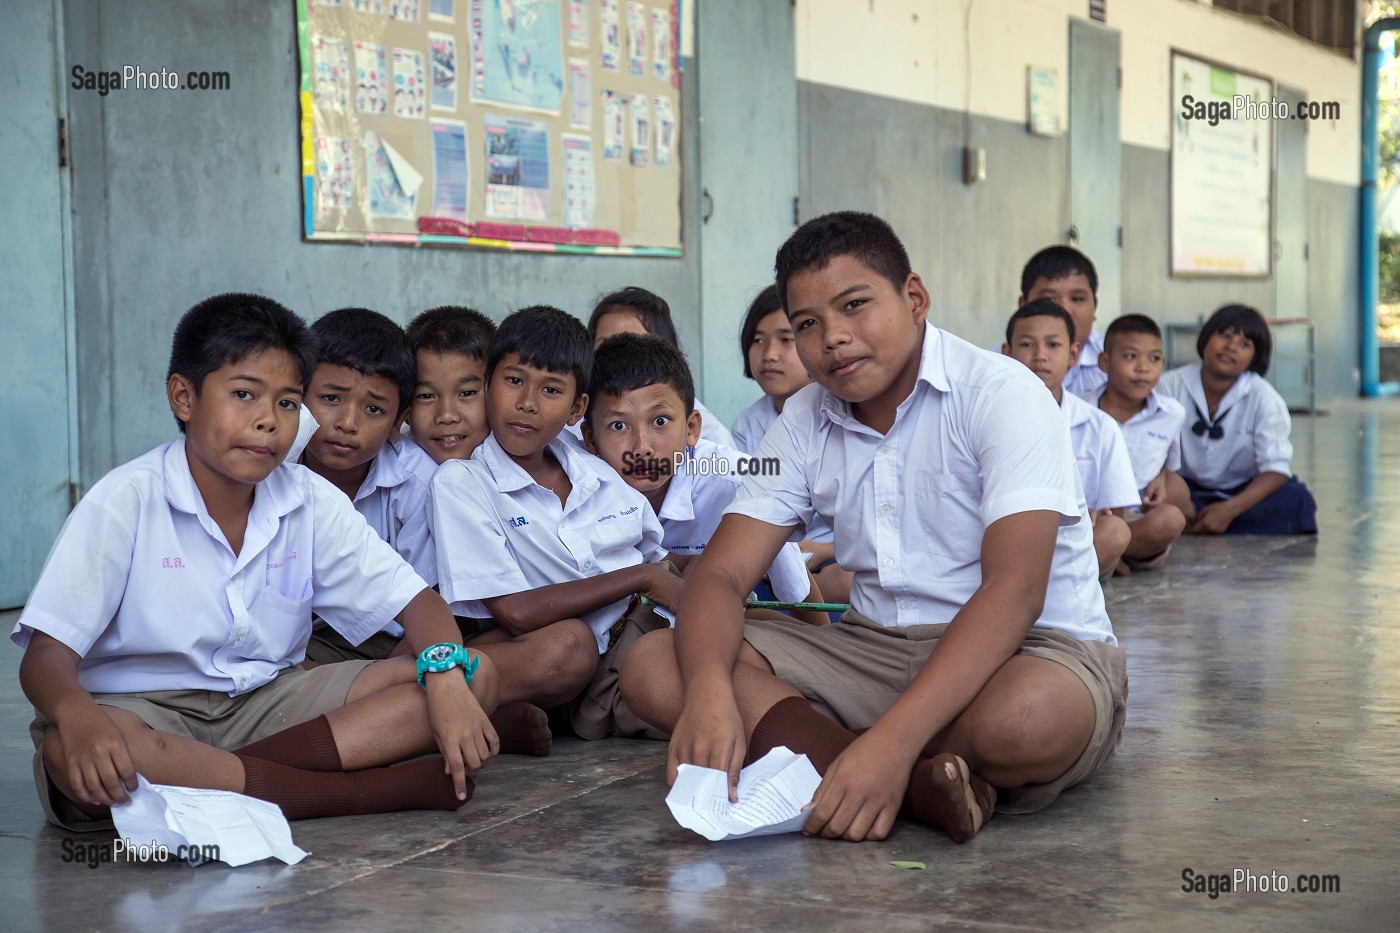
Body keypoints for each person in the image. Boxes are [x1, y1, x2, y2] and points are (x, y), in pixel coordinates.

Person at [619, 212, 1126, 844]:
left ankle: (858, 758)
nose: (832, 338)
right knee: (655, 665)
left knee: (1025, 721)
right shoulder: (804, 418)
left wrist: (888, 741)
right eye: (807, 324)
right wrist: (707, 693)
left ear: (914, 298)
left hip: (1030, 648)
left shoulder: (1002, 394)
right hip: (871, 647)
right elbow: (720, 574)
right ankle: (912, 783)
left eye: (855, 305)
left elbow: (1015, 593)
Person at [13, 293, 498, 830]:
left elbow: (419, 604)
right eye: (245, 394)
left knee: (474, 676)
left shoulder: (306, 498)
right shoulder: (125, 501)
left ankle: (223, 784)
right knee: (71, 751)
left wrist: (446, 677)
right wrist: (78, 716)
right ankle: (356, 791)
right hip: (144, 712)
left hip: (268, 701)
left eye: (288, 403)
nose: (268, 421)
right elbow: (44, 659)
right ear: (183, 397)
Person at [429, 306, 682, 742]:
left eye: (550, 389)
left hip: (653, 618)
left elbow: (660, 562)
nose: (527, 402)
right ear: (487, 385)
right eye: (513, 381)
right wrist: (639, 578)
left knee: (758, 633)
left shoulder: (595, 472)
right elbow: (516, 612)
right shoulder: (463, 482)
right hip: (599, 664)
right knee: (570, 648)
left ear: (576, 408)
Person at [583, 332, 827, 627]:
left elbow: (797, 589)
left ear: (692, 429)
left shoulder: (738, 483)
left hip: (719, 620)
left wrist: (823, 650)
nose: (641, 446)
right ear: (590, 439)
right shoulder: (576, 490)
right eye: (618, 425)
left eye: (660, 421)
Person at [299, 307, 436, 663]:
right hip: (296, 641)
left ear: (398, 423)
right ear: (298, 396)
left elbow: (430, 609)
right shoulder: (268, 471)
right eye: (331, 399)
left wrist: (382, 686)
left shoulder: (418, 483)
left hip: (391, 646)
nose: (347, 422)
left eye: (373, 409)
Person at [1003, 299, 1137, 579]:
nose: (1040, 356)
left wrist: (1094, 515)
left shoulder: (1100, 426)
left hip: (1074, 545)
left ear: (1073, 354)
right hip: (1008, 543)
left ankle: (1054, 587)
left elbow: (1116, 509)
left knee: (1115, 532)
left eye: (1053, 345)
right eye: (1027, 345)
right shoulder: (987, 418)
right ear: (1007, 353)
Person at [1158, 304, 1318, 535]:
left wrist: (1229, 509)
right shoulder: (1170, 385)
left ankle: (1207, 521)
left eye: (1245, 344)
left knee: (1297, 500)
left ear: (1255, 356)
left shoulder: (1264, 397)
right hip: (1184, 488)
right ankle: (1192, 516)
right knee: (1157, 493)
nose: (1231, 347)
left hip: (1240, 492)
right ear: (1206, 338)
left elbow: (1276, 468)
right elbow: (1153, 450)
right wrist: (1178, 499)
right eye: (1225, 336)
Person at [1089, 314, 1189, 572]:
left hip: (1136, 516)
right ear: (1105, 362)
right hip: (1091, 516)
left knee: (1171, 519)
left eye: (1154, 359)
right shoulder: (1083, 412)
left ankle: (1114, 553)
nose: (1143, 367)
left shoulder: (1171, 413)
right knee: (1100, 531)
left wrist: (1160, 479)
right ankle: (1112, 555)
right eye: (1131, 357)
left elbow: (1167, 461)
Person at [583, 286, 735, 448]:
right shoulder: (575, 417)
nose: (622, 357)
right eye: (607, 346)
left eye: (637, 344)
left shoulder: (712, 440)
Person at [1019, 245, 1107, 398]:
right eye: (1049, 299)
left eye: (1077, 299)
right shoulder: (993, 364)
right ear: (1023, 305)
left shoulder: (1118, 359)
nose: (1064, 310)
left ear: (1095, 306)